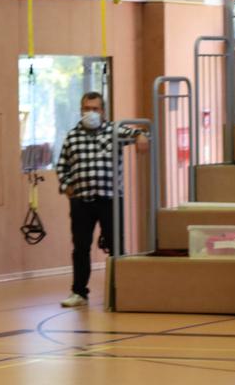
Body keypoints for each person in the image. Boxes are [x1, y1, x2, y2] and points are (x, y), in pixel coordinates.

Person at [56, 92, 149, 308]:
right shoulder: (72, 137)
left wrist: (140, 137)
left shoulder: (114, 131)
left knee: (116, 245)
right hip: (81, 201)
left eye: (95, 109)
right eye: (87, 108)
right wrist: (67, 186)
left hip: (109, 200)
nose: (91, 113)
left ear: (103, 111)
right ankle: (79, 292)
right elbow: (62, 167)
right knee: (80, 247)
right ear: (81, 110)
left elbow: (137, 133)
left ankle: (122, 290)